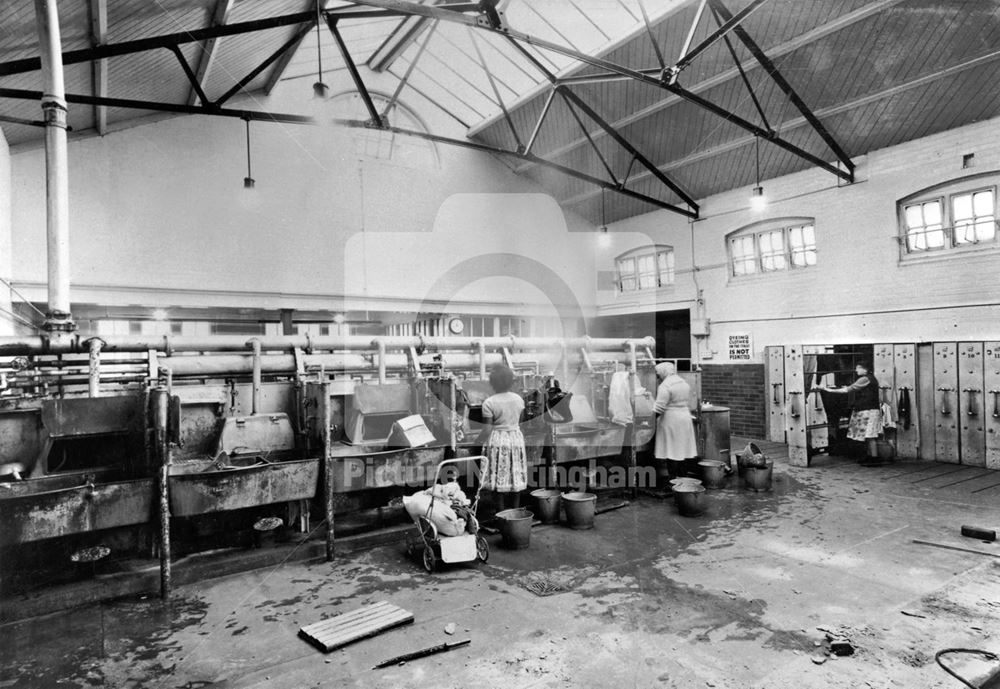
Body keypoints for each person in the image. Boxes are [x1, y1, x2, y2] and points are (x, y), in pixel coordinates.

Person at [478, 364, 527, 511]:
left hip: (498, 440)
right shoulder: (519, 399)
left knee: (499, 473)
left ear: (492, 382)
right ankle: (516, 511)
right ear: (511, 381)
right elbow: (522, 422)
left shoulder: (489, 402)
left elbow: (487, 429)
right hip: (516, 438)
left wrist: (477, 442)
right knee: (515, 473)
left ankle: (501, 513)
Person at [815, 362, 882, 463]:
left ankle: (874, 458)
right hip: (868, 409)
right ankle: (870, 456)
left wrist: (826, 389)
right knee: (868, 435)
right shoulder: (870, 378)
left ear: (865, 369)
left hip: (868, 410)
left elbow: (847, 390)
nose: (856, 370)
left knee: (870, 435)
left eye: (858, 368)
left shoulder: (865, 379)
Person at [653, 361, 698, 480]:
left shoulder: (665, 385)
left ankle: (673, 480)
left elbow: (659, 407)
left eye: (658, 374)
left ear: (663, 372)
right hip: (684, 416)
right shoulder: (683, 382)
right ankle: (683, 478)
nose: (658, 377)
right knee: (682, 450)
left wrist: (650, 421)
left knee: (671, 451)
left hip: (671, 419)